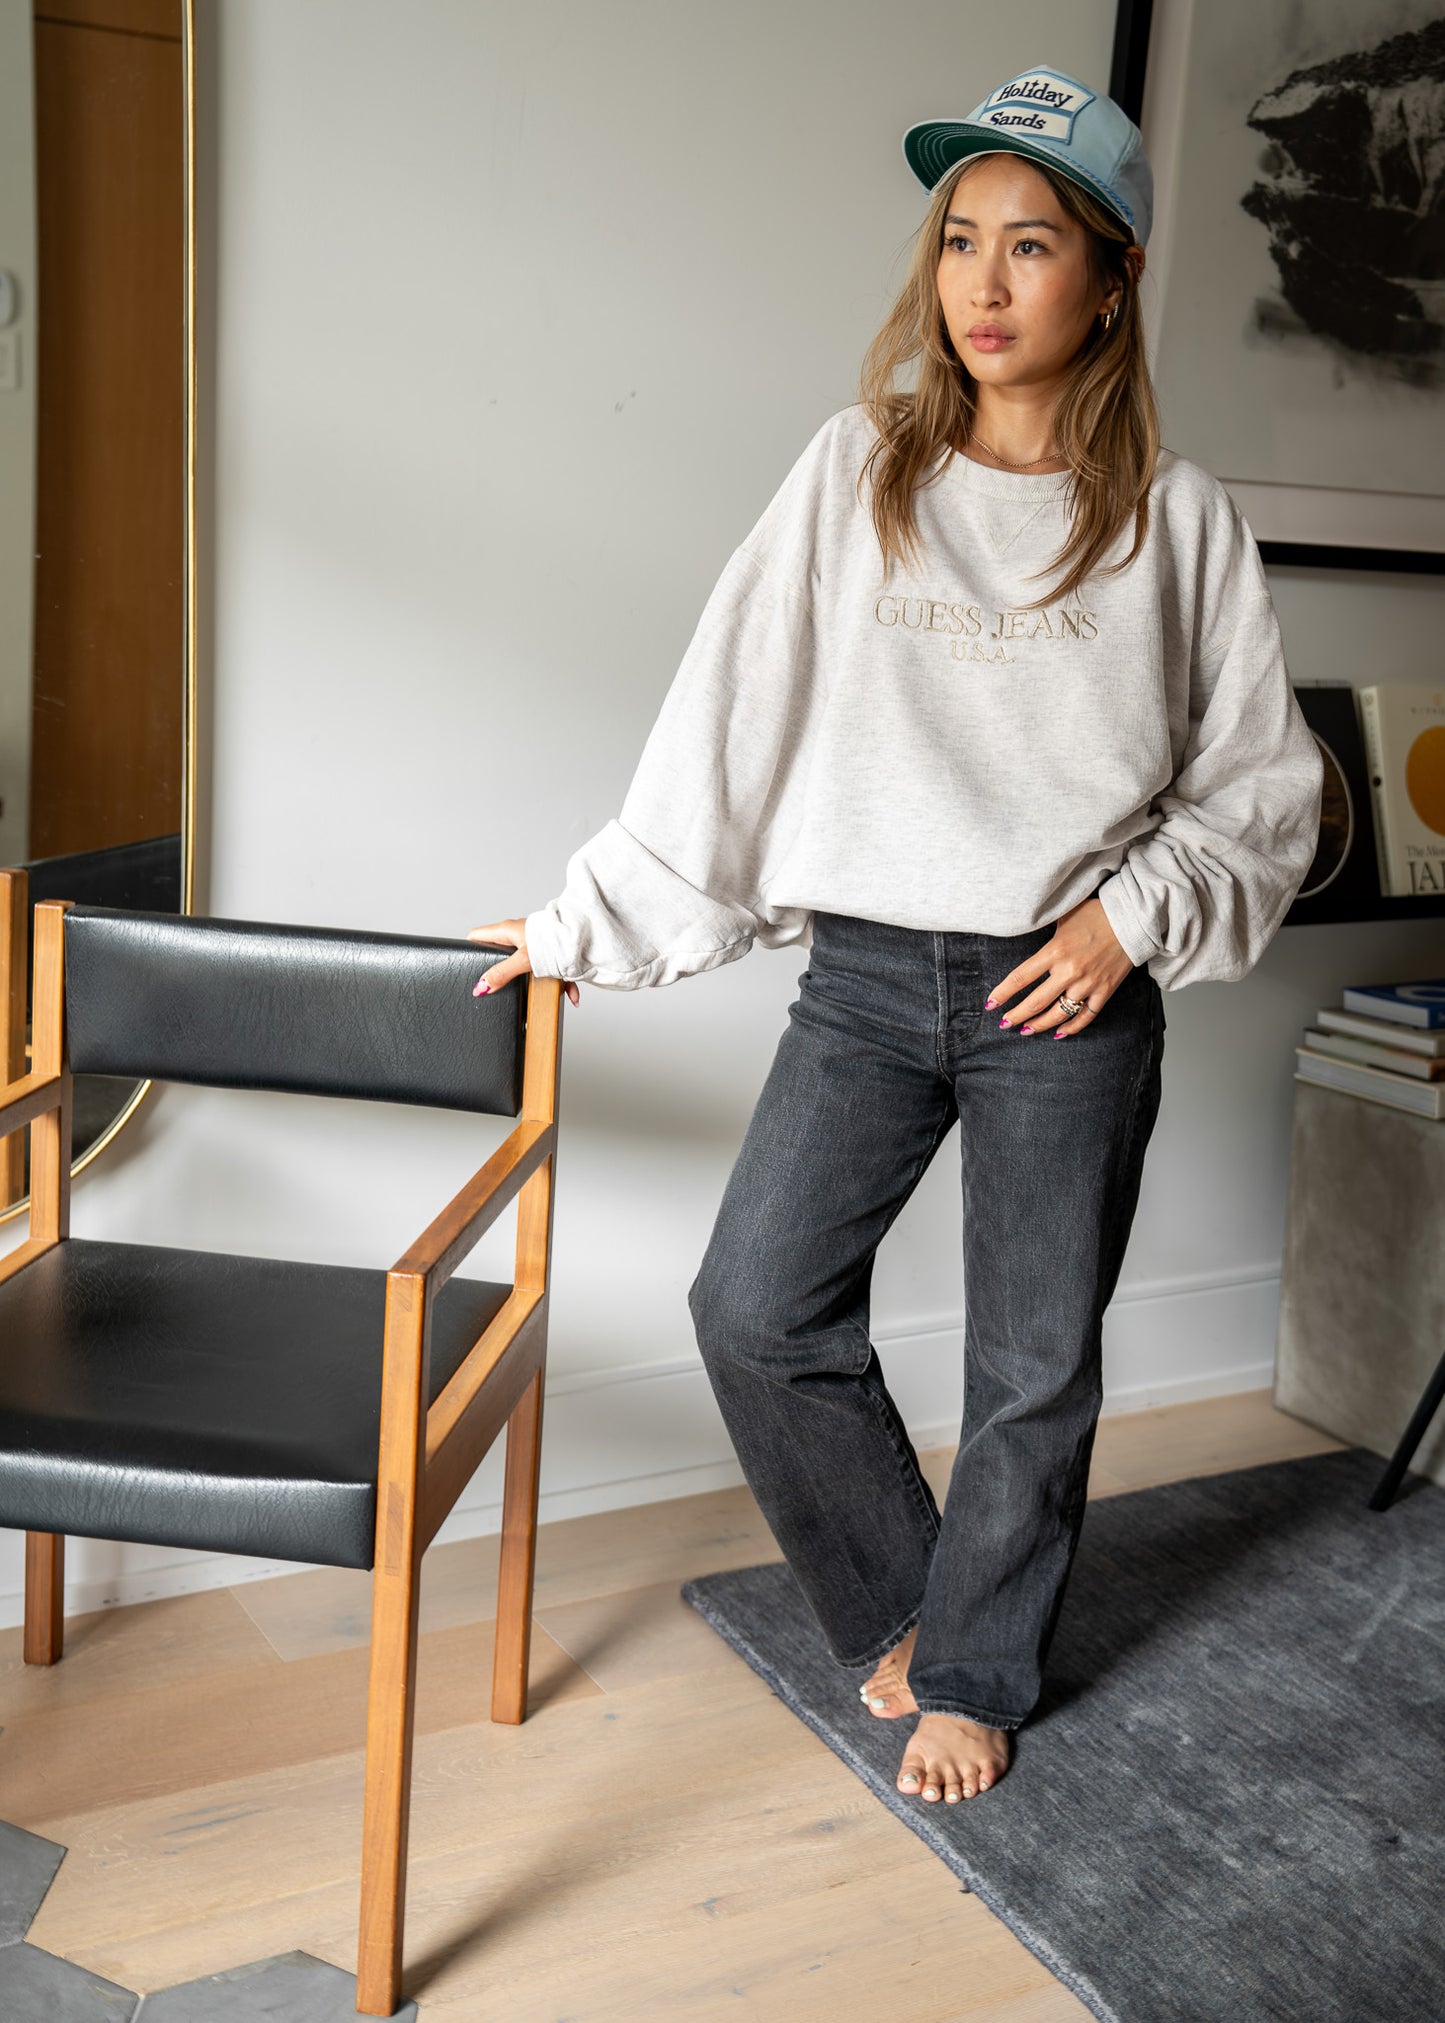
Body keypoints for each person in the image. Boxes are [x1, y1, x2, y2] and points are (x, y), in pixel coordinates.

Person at [468, 63, 1325, 1812]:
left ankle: (976, 1670)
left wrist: (1125, 919)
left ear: (1111, 276)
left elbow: (1260, 789)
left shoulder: (1176, 521)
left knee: (1032, 1366)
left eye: (1030, 245)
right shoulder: (856, 474)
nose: (984, 286)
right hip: (863, 976)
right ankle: (906, 1607)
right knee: (754, 1305)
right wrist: (581, 924)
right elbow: (729, 721)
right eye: (956, 242)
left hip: (1063, 993)